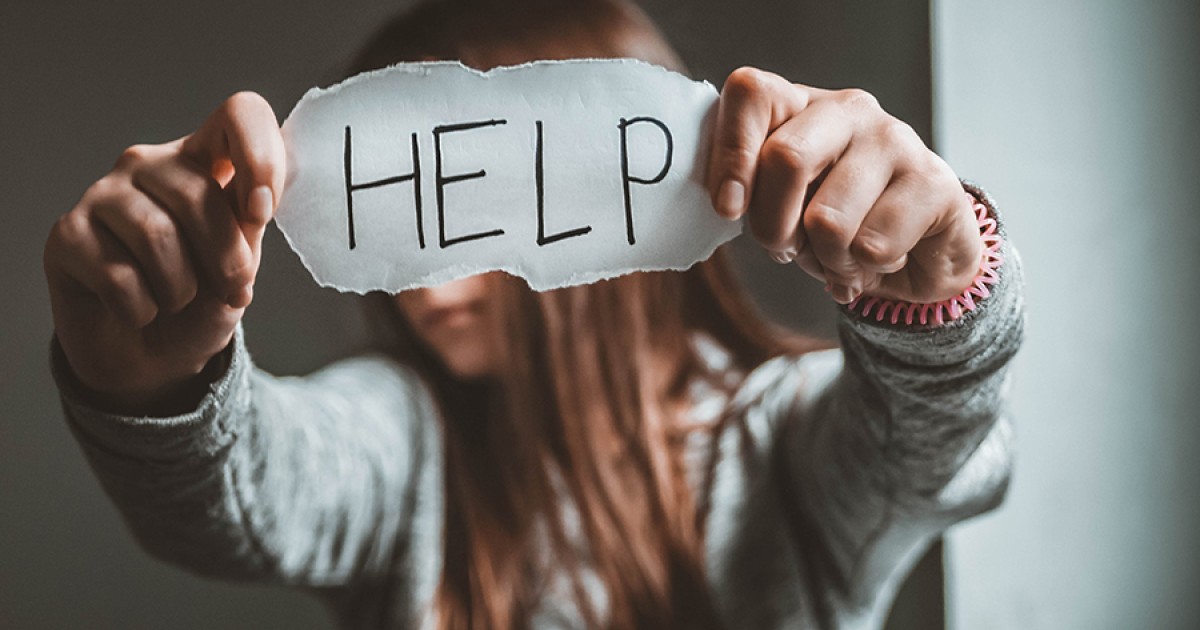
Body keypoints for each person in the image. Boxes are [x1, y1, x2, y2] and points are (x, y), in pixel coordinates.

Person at [43, 0, 1024, 628]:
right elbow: (240, 500)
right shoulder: (408, 440)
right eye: (413, 235)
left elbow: (941, 448)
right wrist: (156, 378)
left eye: (482, 228)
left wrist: (939, 287)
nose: (432, 294)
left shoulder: (783, 430)